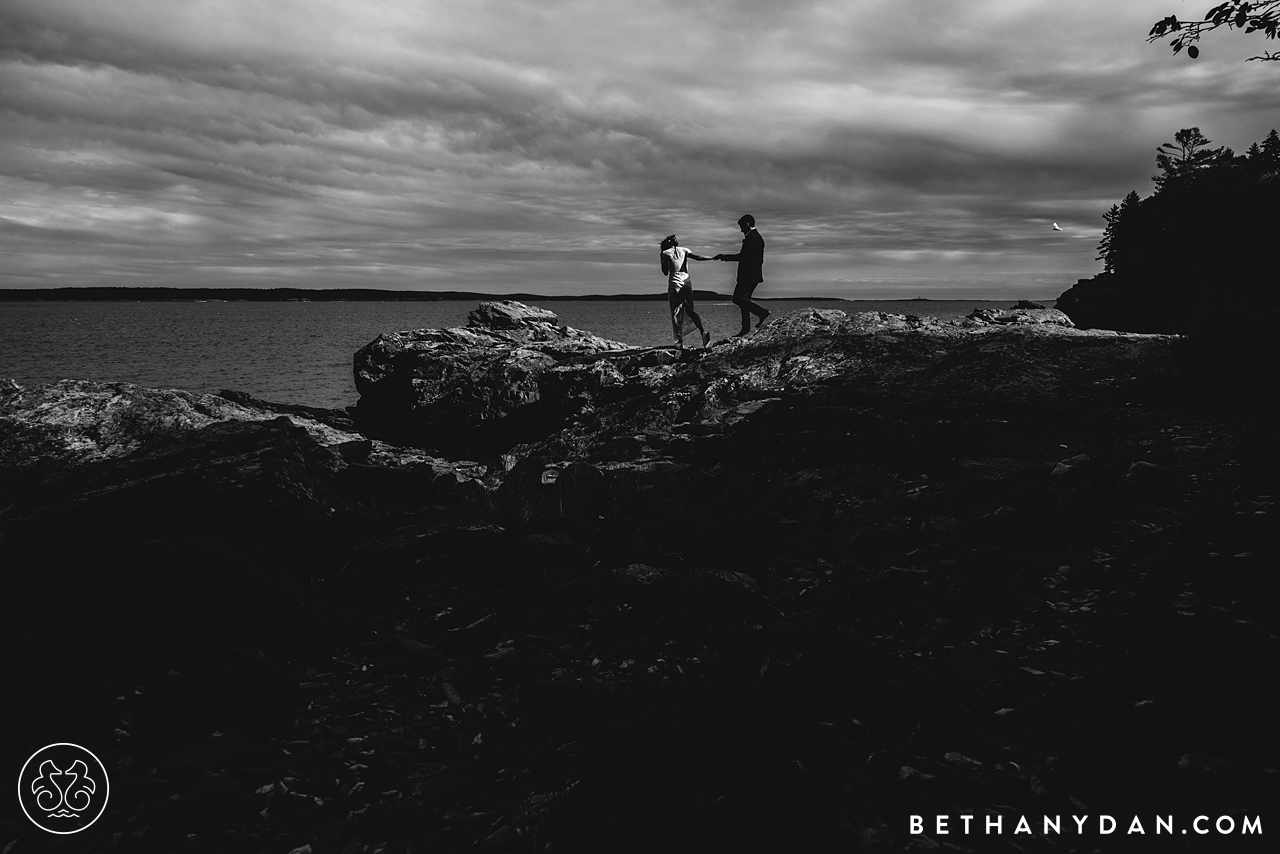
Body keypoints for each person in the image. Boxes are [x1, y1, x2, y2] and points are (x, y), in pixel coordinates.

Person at [713, 214, 769, 336]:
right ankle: (745, 328)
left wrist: (724, 257)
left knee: (737, 299)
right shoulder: (758, 238)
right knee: (744, 301)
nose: (741, 230)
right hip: (754, 275)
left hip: (748, 276)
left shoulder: (751, 238)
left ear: (747, 225)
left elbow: (743, 257)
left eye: (742, 226)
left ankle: (761, 313)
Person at [660, 234, 713, 348]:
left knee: (675, 311)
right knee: (689, 309)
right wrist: (712, 257)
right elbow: (698, 257)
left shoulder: (665, 253)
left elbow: (665, 272)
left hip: (675, 283)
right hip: (687, 282)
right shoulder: (684, 250)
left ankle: (678, 341)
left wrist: (665, 262)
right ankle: (703, 332)